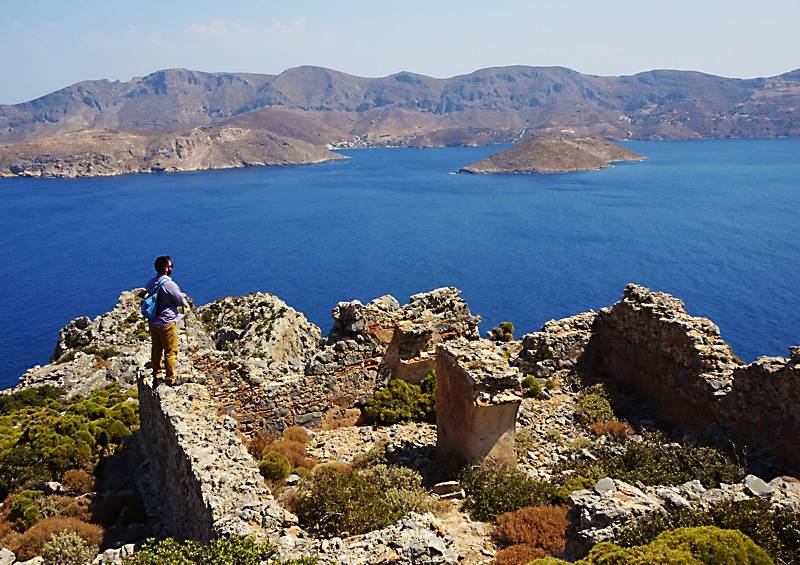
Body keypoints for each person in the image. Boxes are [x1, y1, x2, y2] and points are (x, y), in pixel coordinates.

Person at [145, 255, 188, 385]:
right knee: (170, 351)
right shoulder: (169, 284)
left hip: (153, 321)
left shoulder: (151, 282)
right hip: (167, 323)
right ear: (166, 268)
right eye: (171, 266)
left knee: (156, 349)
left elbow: (148, 291)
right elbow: (179, 300)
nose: (172, 268)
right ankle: (170, 379)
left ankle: (157, 376)